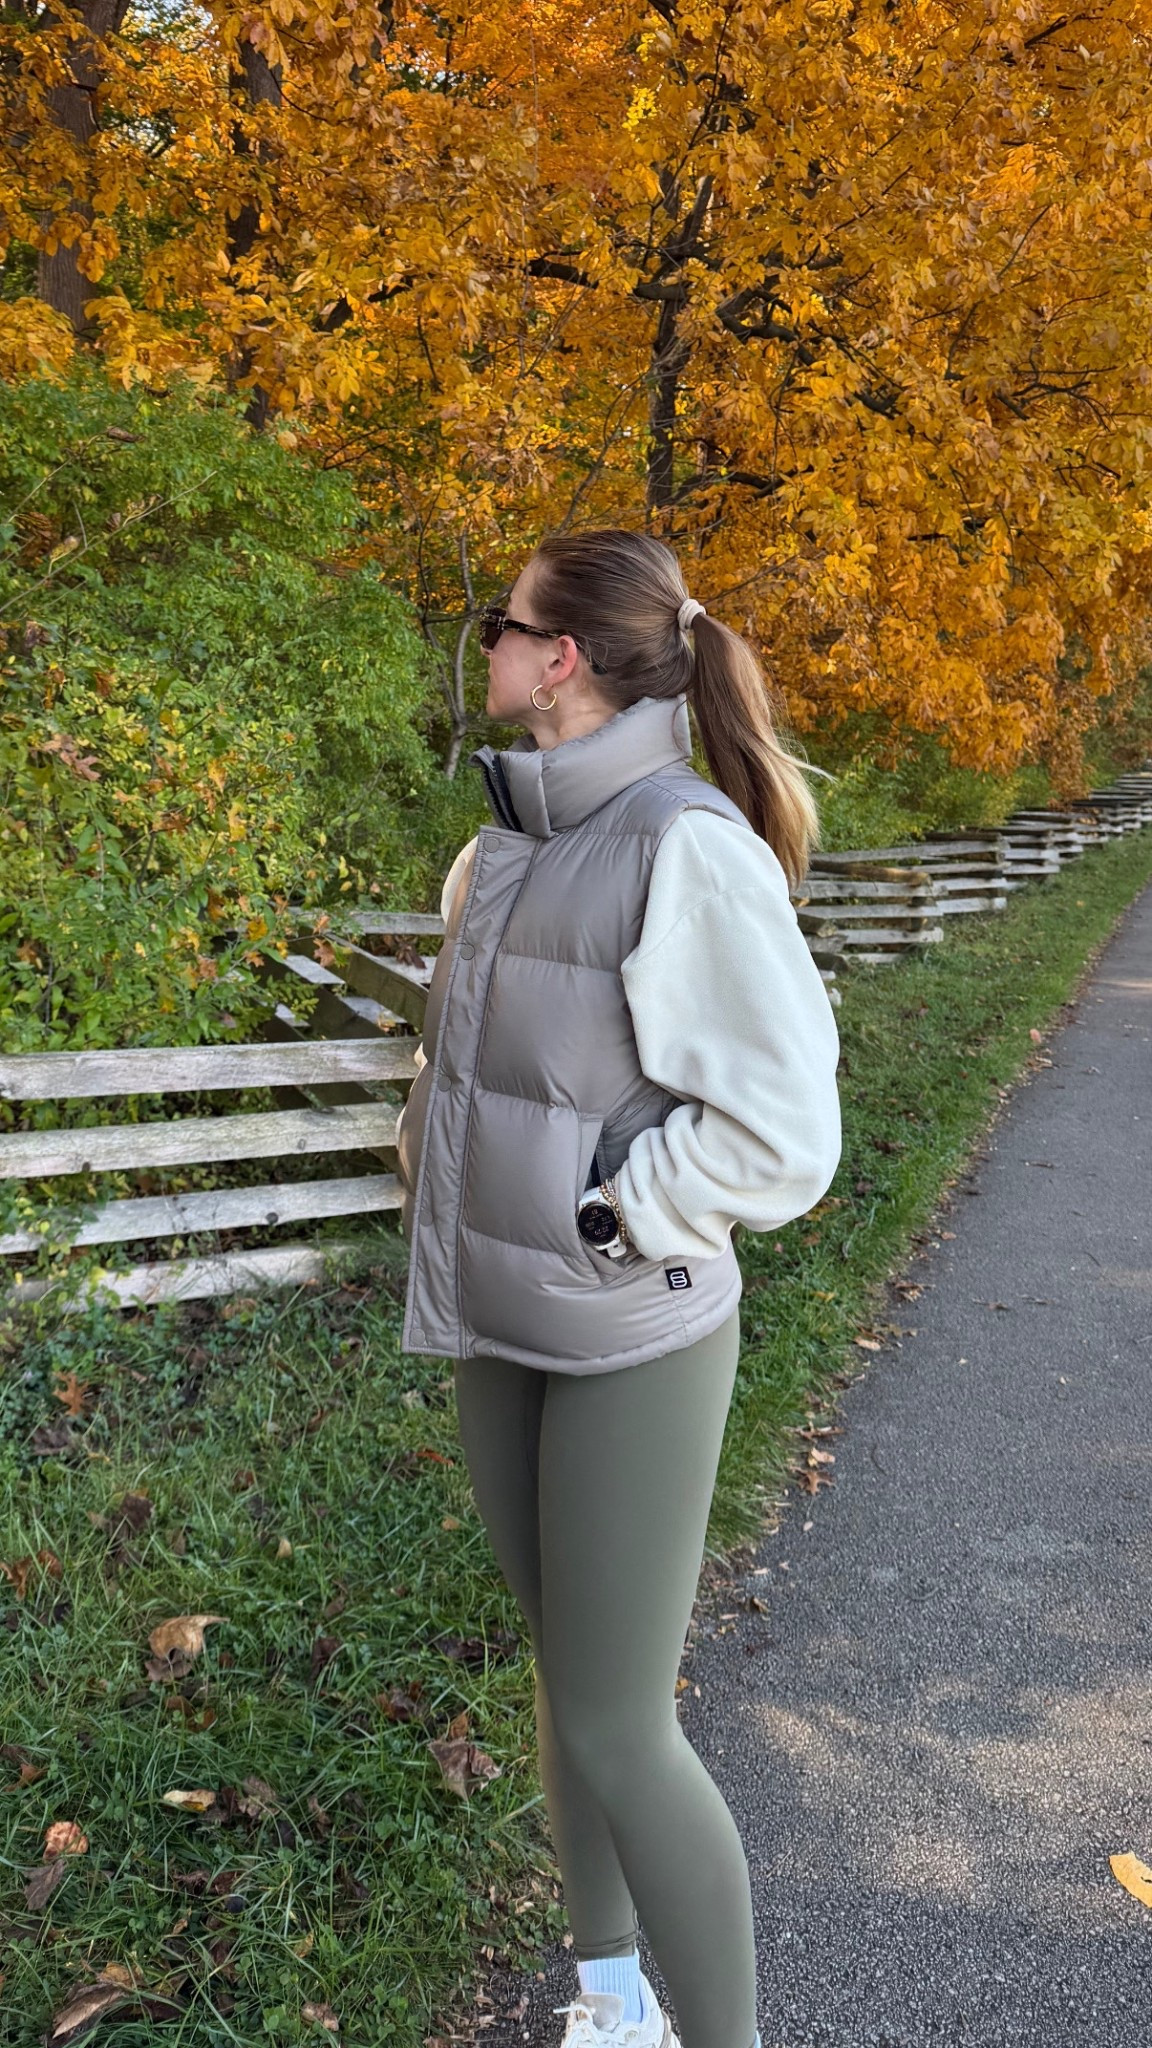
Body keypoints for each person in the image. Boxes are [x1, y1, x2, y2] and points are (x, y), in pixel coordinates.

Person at [395, 530, 842, 2048]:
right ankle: (608, 2001)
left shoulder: (685, 847)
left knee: (618, 1721)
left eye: (502, 626)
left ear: (562, 657)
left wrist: (609, 1213)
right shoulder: (504, 843)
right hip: (498, 1325)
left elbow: (788, 1133)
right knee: (565, 1678)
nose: (492, 646)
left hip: (629, 1335)